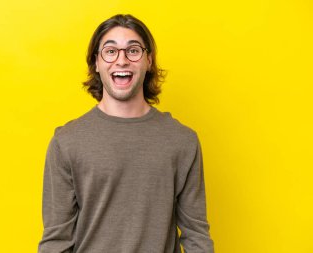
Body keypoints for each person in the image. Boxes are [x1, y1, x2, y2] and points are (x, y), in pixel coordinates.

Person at [38, 14, 214, 253]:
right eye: (110, 51)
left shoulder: (182, 141)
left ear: (148, 60)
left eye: (133, 50)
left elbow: (197, 236)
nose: (121, 60)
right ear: (96, 63)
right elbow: (56, 241)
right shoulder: (66, 142)